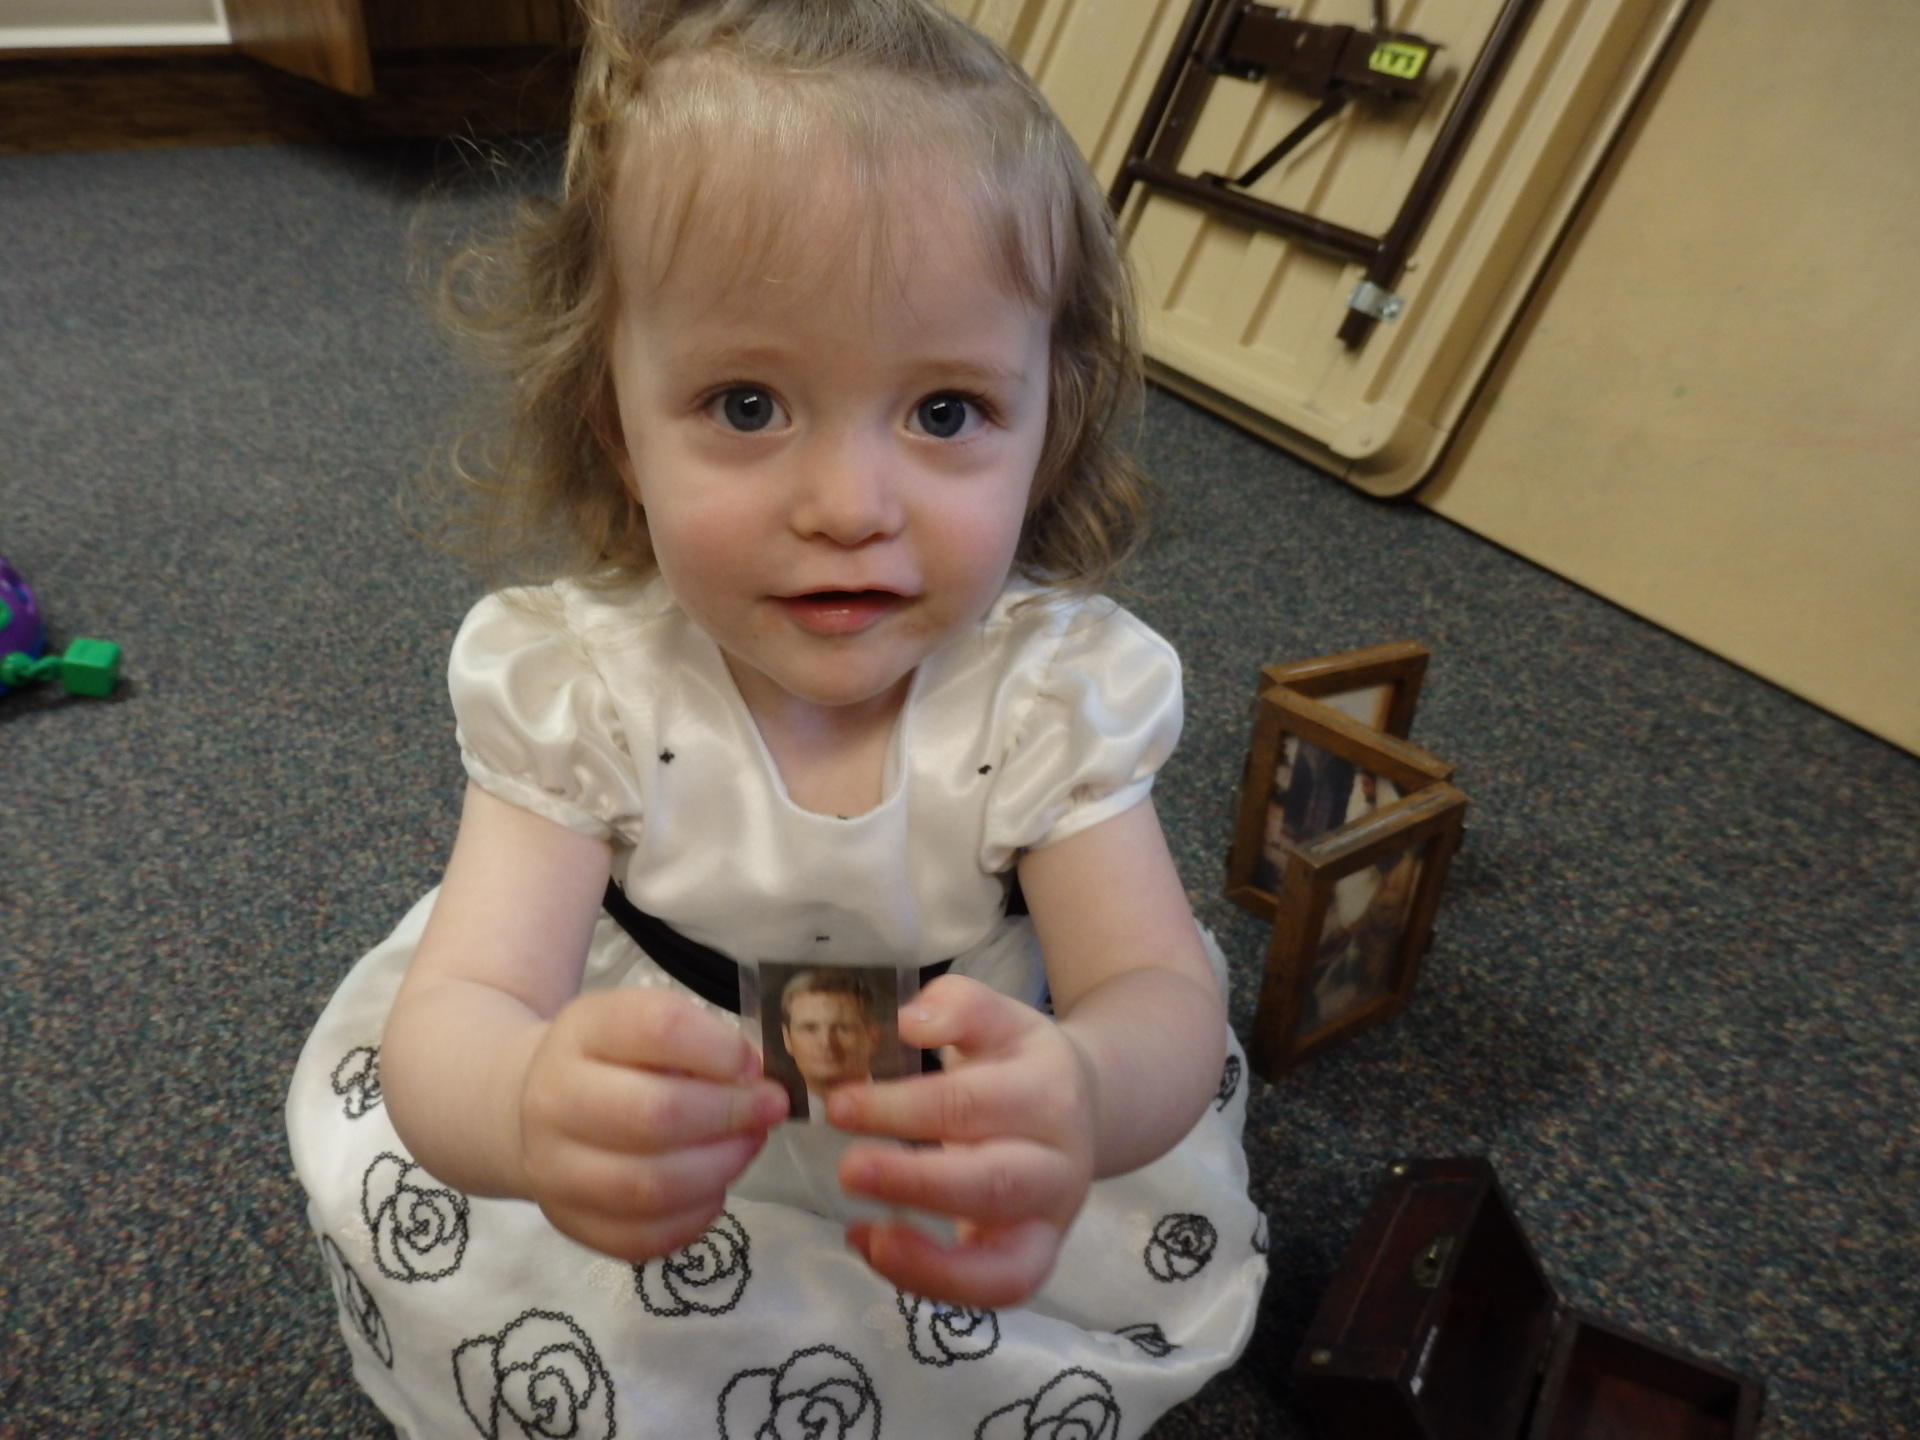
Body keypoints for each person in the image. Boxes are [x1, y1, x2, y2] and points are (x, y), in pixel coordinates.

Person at [286, 2, 1265, 1435]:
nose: (848, 508)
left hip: (953, 1118)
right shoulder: (581, 685)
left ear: (1048, 418)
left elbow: (1157, 995)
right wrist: (530, 1111)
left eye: (945, 411)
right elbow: (463, 1010)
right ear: (617, 426)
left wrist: (1080, 1095)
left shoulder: (1053, 692)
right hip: (657, 1112)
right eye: (747, 403)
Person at [779, 969, 884, 1118]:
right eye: (810, 1029)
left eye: (843, 1028)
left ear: (873, 1038)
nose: (826, 1043)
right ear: (787, 1039)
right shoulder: (776, 1113)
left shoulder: (900, 1107)